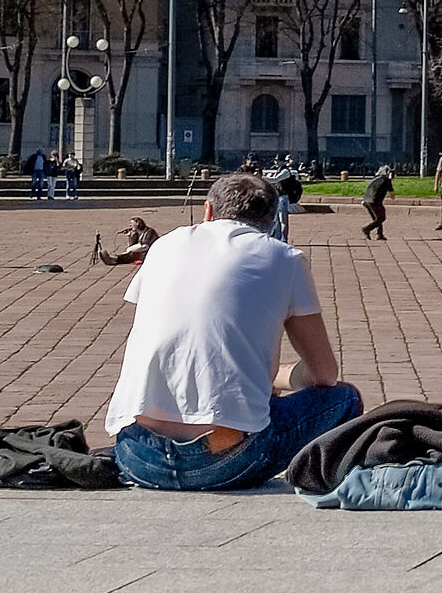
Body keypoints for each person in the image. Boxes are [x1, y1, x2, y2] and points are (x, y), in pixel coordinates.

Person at [105, 171, 361, 490]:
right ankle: (323, 478)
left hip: (137, 455)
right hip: (222, 460)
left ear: (208, 211)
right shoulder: (286, 259)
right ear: (271, 220)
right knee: (344, 399)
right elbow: (324, 375)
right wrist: (272, 379)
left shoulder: (163, 247)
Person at [94, 216, 161, 267]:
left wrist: (130, 250)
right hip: (143, 250)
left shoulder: (149, 232)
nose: (130, 226)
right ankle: (114, 259)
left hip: (150, 251)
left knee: (131, 253)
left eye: (132, 224)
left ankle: (114, 260)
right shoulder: (137, 233)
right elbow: (132, 245)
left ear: (137, 223)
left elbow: (145, 246)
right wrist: (130, 236)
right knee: (131, 252)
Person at [361, 166, 394, 241]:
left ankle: (380, 234)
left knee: (377, 219)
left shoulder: (375, 179)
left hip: (366, 201)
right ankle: (366, 229)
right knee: (381, 218)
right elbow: (392, 195)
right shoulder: (386, 180)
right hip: (375, 201)